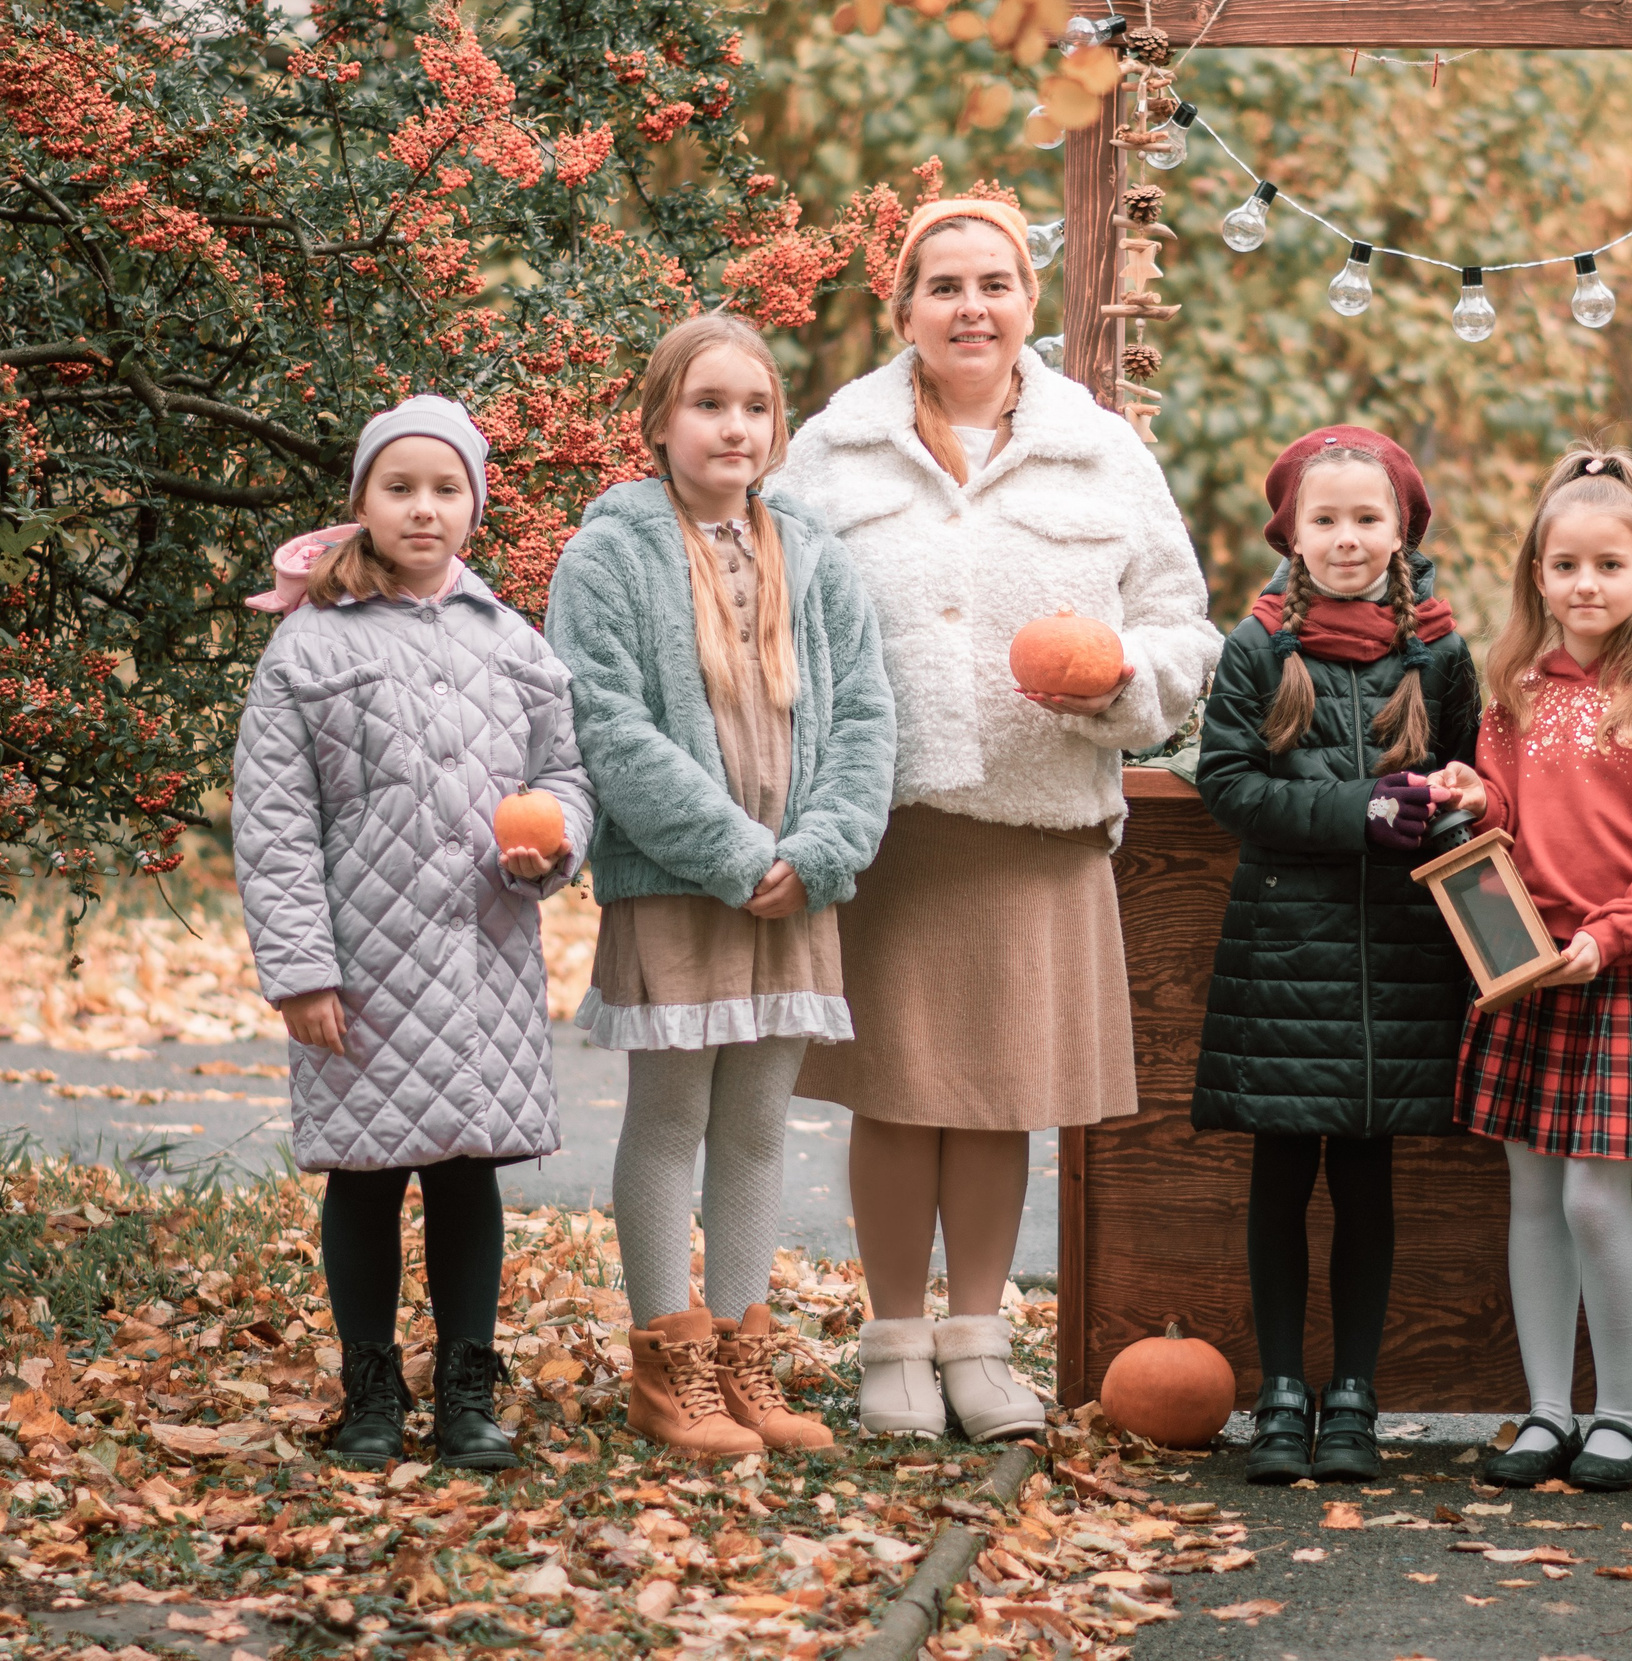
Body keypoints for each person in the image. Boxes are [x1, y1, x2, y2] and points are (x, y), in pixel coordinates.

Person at [774, 197, 1221, 1441]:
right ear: (903, 309)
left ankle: (977, 1344)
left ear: (1029, 302)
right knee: (897, 1091)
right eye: (944, 286)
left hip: (1037, 823)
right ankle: (891, 1346)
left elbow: (1183, 628)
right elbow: (770, 614)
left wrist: (1121, 680)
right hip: (889, 824)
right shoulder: (831, 451)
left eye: (995, 283)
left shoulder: (1103, 451)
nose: (971, 307)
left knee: (996, 1095)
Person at [547, 314, 895, 1456]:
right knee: (671, 1116)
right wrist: (736, 854)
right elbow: (607, 724)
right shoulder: (608, 556)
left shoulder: (815, 553)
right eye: (708, 404)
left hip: (799, 886)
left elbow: (865, 714)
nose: (734, 426)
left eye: (755, 406)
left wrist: (821, 850)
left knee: (755, 1121)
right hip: (680, 885)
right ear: (658, 423)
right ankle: (668, 1367)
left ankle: (746, 1363)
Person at [233, 396, 594, 1470]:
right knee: (365, 1172)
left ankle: (468, 1389)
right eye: (400, 487)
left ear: (475, 507)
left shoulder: (511, 641)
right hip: (362, 964)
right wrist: (301, 969)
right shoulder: (309, 646)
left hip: (483, 953)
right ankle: (371, 1387)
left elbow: (566, 774)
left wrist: (552, 842)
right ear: (363, 502)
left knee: (467, 1170)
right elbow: (275, 821)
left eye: (446, 488)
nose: (423, 507)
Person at [1190, 426, 1482, 1485]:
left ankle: (1353, 1392)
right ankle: (1280, 1390)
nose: (1347, 537)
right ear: (1292, 532)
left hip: (1399, 954)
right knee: (1280, 1172)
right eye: (1326, 519)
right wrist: (1357, 808)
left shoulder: (1439, 652)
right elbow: (1229, 783)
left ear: (1401, 529)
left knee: (1367, 1176)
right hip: (1285, 952)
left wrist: (1460, 796)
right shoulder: (1258, 645)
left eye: (1367, 517)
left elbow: (1470, 766)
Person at [1430, 447, 1632, 1492]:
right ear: (1537, 576)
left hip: (1620, 969)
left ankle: (1621, 1414)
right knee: (1534, 1197)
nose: (1585, 583)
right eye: (1565, 565)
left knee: (1597, 1200)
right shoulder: (1511, 688)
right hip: (1526, 964)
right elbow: (1508, 814)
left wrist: (1613, 935)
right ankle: (1547, 1409)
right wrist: (1476, 796)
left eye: (1607, 564)